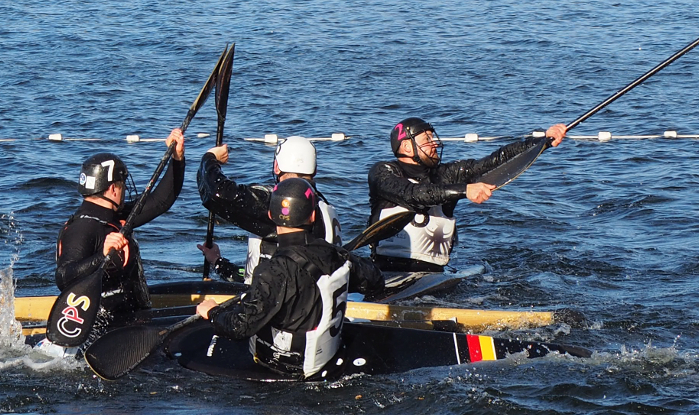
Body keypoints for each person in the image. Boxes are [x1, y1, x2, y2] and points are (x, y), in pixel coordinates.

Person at [44, 128, 186, 347]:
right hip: (102, 328)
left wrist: (177, 159)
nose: (123, 191)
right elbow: (64, 277)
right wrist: (101, 256)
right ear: (112, 189)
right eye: (121, 185)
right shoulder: (82, 228)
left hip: (131, 316)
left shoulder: (116, 217)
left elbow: (160, 201)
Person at [194, 178, 350, 377]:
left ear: (269, 215)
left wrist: (213, 312)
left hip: (282, 370)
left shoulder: (273, 270)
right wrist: (218, 262)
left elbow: (240, 327)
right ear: (312, 216)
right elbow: (374, 280)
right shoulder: (338, 255)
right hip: (328, 360)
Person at [366, 116, 567, 271]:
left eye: (433, 138)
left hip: (433, 274)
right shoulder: (382, 172)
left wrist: (541, 142)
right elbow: (413, 195)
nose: (434, 144)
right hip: (386, 269)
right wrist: (465, 190)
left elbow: (494, 161)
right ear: (408, 147)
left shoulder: (447, 174)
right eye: (427, 140)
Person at [196, 134, 385, 297]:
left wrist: (210, 159)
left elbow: (217, 194)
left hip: (276, 311)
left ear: (277, 167)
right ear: (315, 170)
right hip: (315, 305)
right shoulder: (325, 208)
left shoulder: (285, 207)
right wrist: (219, 263)